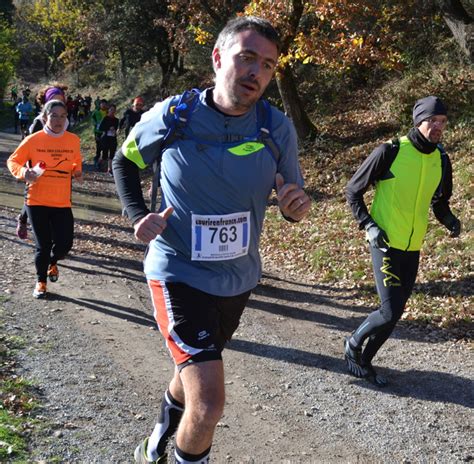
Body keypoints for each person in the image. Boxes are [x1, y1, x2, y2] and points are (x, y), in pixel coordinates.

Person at [113, 16, 311, 464]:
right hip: (178, 271)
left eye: (267, 64)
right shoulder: (174, 116)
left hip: (237, 279)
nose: (256, 72)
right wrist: (138, 215)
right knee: (209, 403)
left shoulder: (274, 127)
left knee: (193, 369)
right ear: (219, 59)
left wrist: (295, 206)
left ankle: (158, 437)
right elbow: (124, 163)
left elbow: (291, 197)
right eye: (246, 58)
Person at [344, 95, 461, 386]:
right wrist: (368, 225)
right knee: (389, 310)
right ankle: (353, 344)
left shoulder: (441, 159)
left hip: (413, 246)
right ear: (418, 120)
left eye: (442, 122)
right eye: (432, 120)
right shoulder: (391, 151)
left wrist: (448, 219)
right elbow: (353, 191)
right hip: (385, 242)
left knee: (395, 314)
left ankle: (364, 361)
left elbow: (440, 201)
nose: (437, 127)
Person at [7, 100, 83, 299]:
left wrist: (77, 172)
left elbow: (76, 160)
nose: (58, 120)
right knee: (43, 244)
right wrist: (24, 171)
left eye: (62, 116)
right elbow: (12, 161)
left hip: (62, 201)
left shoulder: (73, 140)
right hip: (37, 200)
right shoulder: (33, 140)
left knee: (65, 244)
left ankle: (53, 261)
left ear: (67, 118)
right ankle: (41, 282)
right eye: (54, 115)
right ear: (45, 117)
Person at [15, 84, 69, 241]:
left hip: (57, 166)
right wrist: (27, 170)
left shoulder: (65, 120)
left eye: (60, 100)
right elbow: (27, 147)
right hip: (37, 167)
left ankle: (55, 236)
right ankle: (23, 219)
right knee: (33, 197)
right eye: (53, 101)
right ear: (45, 104)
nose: (57, 104)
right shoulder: (39, 121)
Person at [98, 103, 119, 175]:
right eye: (111, 109)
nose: (112, 111)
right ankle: (100, 162)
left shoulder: (116, 120)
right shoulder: (105, 118)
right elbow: (100, 128)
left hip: (113, 138)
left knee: (112, 153)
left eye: (114, 110)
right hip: (105, 138)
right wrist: (108, 128)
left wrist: (116, 131)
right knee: (105, 154)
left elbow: (116, 128)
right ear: (108, 110)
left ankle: (109, 169)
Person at [91, 99, 108, 169]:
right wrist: (94, 123)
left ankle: (102, 163)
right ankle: (96, 159)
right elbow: (92, 118)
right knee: (99, 147)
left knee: (105, 148)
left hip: (106, 132)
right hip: (98, 132)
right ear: (100, 104)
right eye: (102, 104)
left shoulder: (108, 112)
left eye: (105, 104)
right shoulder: (96, 112)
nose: (103, 105)